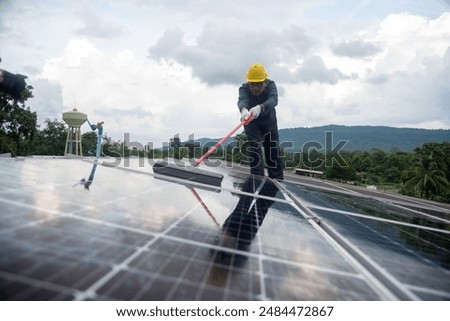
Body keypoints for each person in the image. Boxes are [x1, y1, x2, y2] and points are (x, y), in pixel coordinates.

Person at [237, 63, 284, 180]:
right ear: (249, 83)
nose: (255, 88)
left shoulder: (271, 85)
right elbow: (242, 100)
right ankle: (256, 181)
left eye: (258, 84)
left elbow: (274, 100)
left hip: (269, 123)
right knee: (255, 151)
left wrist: (261, 107)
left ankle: (277, 184)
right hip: (251, 122)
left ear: (265, 82)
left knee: (273, 153)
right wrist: (243, 110)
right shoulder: (244, 88)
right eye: (252, 84)